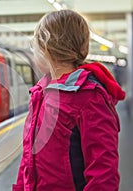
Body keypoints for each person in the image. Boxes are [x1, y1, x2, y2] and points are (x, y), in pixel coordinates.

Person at [13, 10, 125, 191]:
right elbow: (28, 160)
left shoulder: (90, 97)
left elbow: (103, 171)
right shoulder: (40, 93)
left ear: (46, 48)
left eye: (34, 46)